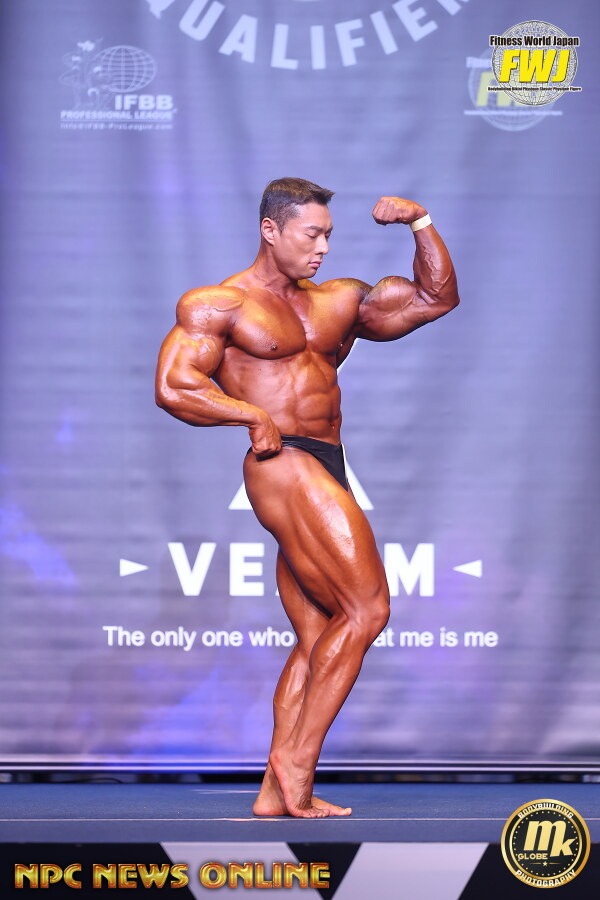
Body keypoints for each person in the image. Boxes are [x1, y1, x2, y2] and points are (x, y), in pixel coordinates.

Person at [155, 177, 459, 818]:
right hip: (282, 461)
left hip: (327, 461)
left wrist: (420, 222)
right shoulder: (220, 304)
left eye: (328, 236)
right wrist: (249, 415)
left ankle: (274, 791)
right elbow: (175, 385)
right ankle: (296, 763)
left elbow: (435, 298)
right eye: (311, 235)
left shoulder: (339, 299)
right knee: (367, 609)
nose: (322, 248)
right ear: (271, 230)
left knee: (319, 633)